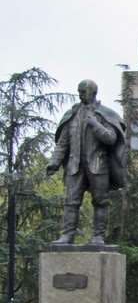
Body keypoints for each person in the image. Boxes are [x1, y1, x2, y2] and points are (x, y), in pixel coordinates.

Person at [45, 79, 127, 246]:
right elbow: (63, 143)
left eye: (83, 92)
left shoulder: (104, 114)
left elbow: (111, 138)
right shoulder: (72, 114)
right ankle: (67, 235)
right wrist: (54, 162)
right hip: (75, 166)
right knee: (70, 201)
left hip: (98, 165)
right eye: (79, 92)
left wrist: (96, 125)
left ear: (93, 93)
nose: (80, 95)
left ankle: (98, 237)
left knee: (101, 202)